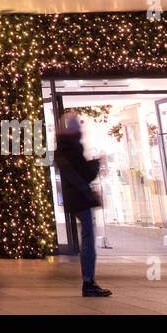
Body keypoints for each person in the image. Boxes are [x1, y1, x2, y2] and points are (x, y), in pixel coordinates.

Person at [53, 113, 112, 297]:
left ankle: (89, 280)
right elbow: (85, 173)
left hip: (73, 197)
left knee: (86, 237)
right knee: (88, 238)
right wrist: (96, 163)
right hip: (80, 197)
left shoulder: (62, 147)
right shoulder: (72, 147)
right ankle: (89, 281)